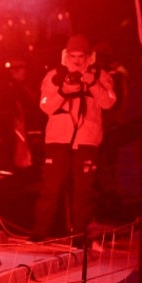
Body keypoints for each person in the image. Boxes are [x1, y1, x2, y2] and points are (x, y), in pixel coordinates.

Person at [31, 34, 117, 241]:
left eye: (81, 56)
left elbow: (109, 102)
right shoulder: (54, 75)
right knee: (50, 189)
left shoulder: (101, 75)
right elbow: (45, 105)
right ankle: (39, 234)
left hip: (87, 141)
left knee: (83, 192)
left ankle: (79, 236)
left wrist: (93, 83)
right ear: (66, 55)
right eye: (73, 56)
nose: (77, 61)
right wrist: (63, 91)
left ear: (89, 56)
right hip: (57, 141)